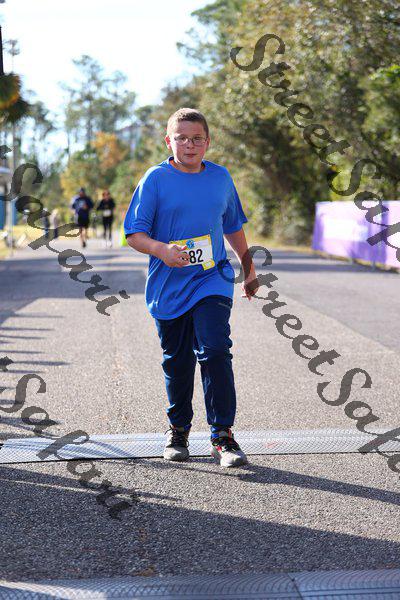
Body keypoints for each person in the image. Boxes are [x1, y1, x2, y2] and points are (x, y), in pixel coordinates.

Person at [124, 107, 260, 468]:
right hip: (168, 284)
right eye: (181, 138)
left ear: (208, 142)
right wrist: (161, 250)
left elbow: (232, 225)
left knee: (215, 349)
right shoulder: (155, 179)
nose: (190, 144)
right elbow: (134, 234)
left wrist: (248, 269)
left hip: (211, 278)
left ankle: (222, 436)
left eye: (197, 138)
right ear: (168, 141)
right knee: (178, 360)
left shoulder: (220, 177)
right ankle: (178, 430)